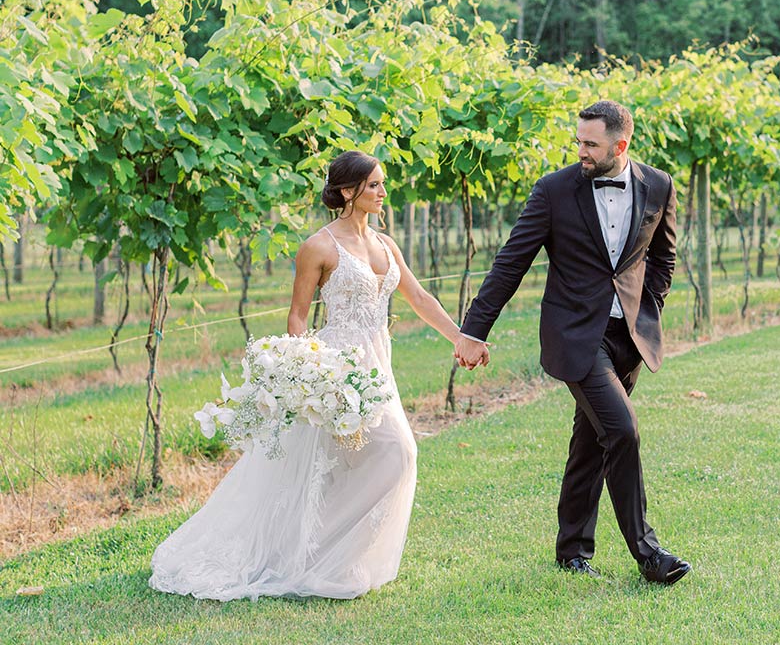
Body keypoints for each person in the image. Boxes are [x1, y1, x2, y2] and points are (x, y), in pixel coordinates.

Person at [149, 151, 482, 600]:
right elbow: (298, 317)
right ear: (348, 192)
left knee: (372, 459)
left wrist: (461, 338)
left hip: (377, 367)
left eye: (383, 184)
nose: (383, 192)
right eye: (374, 186)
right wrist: (309, 376)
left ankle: (329, 554)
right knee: (393, 453)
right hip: (336, 369)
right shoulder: (319, 247)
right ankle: (310, 553)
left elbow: (419, 298)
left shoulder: (387, 245)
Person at [455, 100, 691, 584]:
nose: (580, 151)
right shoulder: (554, 190)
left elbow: (664, 257)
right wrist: (475, 329)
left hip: (629, 337)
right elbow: (511, 261)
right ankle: (649, 556)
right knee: (622, 431)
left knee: (591, 441)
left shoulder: (660, 185)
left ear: (620, 145)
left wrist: (650, 310)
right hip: (574, 336)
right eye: (578, 141)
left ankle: (571, 551)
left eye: (591, 144)